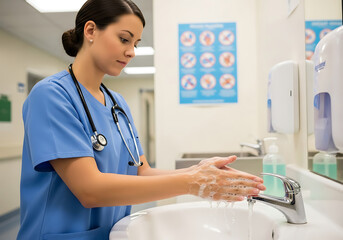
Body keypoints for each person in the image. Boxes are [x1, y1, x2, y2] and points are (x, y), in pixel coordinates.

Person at [17, 0, 266, 239]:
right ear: (90, 30)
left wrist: (198, 171)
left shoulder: (118, 104)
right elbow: (89, 189)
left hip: (112, 234)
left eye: (135, 43)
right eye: (124, 39)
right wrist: (192, 183)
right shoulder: (51, 95)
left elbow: (141, 172)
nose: (132, 51)